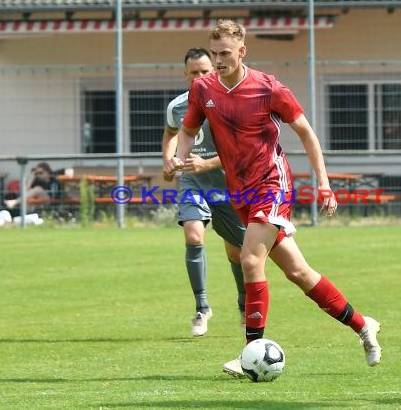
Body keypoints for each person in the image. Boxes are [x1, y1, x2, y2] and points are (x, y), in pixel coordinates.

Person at [166, 19, 382, 376]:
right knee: (298, 272)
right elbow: (187, 131)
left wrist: (324, 183)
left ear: (242, 51)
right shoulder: (203, 89)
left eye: (225, 54)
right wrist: (178, 155)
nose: (219, 60)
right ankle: (363, 325)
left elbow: (307, 134)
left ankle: (250, 350)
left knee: (250, 260)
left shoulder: (268, 88)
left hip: (272, 184)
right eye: (215, 53)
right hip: (241, 193)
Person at [162, 47, 246, 337]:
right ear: (185, 75)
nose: (199, 76)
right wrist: (169, 161)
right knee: (193, 234)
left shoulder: (230, 104)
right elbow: (171, 135)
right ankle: (202, 307)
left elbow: (241, 152)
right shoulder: (177, 107)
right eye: (194, 72)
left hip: (227, 182)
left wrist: (206, 162)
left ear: (215, 70)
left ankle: (244, 304)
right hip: (192, 181)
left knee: (236, 252)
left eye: (204, 71)